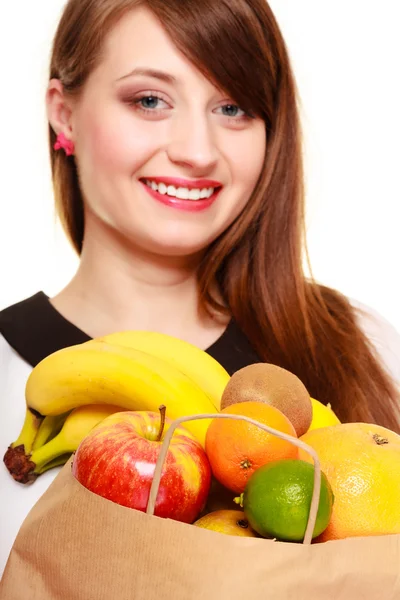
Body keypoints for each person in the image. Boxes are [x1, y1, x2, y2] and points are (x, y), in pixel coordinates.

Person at [1, 0, 399, 577]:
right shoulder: (13, 378)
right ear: (64, 114)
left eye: (232, 107)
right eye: (149, 100)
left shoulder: (358, 345)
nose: (197, 150)